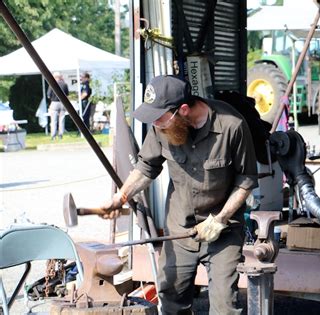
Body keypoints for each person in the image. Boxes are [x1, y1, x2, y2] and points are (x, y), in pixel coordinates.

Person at [101, 75, 258, 314]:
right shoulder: (162, 127)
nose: (155, 124)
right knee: (172, 300)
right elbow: (146, 168)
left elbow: (246, 180)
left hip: (223, 230)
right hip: (179, 231)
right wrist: (120, 198)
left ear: (182, 110)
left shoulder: (231, 125)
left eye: (159, 118)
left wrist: (220, 219)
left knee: (225, 306)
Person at [47, 72, 69, 140]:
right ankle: (60, 135)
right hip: (62, 103)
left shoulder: (52, 84)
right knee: (61, 119)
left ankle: (53, 135)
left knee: (53, 120)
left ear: (55, 77)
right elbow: (67, 94)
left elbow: (48, 95)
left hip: (54, 103)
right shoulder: (65, 84)